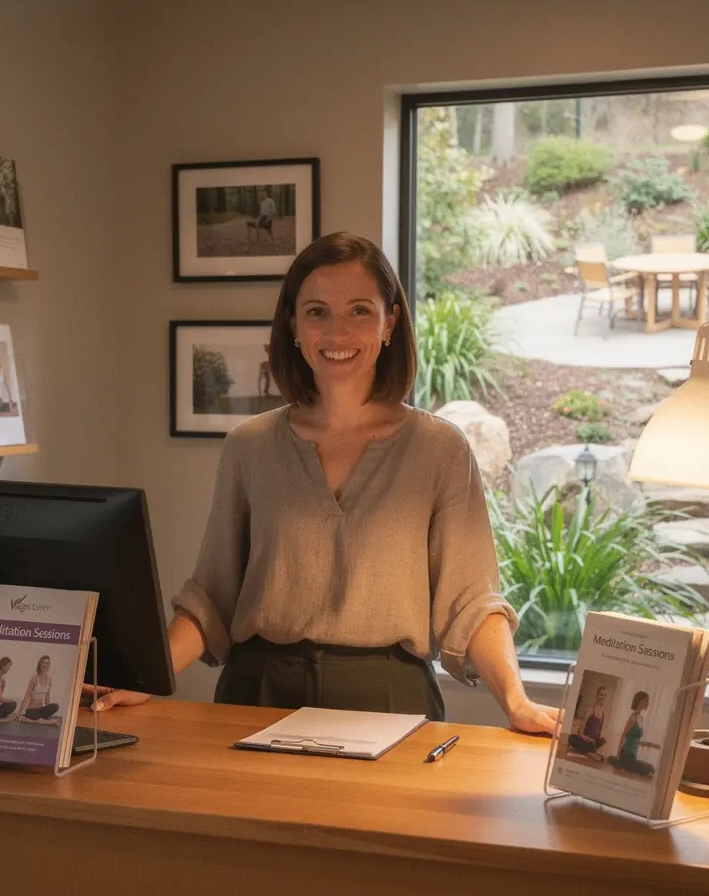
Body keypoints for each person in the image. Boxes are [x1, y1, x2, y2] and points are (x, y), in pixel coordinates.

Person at [90, 232, 556, 735]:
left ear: (390, 322)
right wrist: (147, 679)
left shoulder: (440, 451)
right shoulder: (249, 446)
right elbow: (212, 597)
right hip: (256, 696)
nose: (337, 333)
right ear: (292, 323)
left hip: (390, 699)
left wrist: (515, 699)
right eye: (317, 312)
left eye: (360, 310)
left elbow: (472, 603)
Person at [608, 691, 655, 777]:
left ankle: (619, 762)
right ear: (640, 701)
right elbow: (624, 736)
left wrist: (651, 745)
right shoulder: (632, 718)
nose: (648, 703)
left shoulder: (641, 719)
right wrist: (618, 755)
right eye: (646, 701)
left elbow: (636, 740)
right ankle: (618, 761)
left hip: (633, 756)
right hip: (626, 754)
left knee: (651, 768)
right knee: (646, 770)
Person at [17, 655, 60, 726]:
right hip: (32, 711)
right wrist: (19, 713)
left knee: (55, 706)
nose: (45, 665)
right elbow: (26, 698)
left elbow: (47, 702)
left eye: (47, 663)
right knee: (37, 718)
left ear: (49, 666)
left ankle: (36, 720)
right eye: (43, 663)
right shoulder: (34, 679)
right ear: (40, 664)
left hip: (41, 710)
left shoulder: (49, 680)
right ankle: (51, 722)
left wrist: (48, 690)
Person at [568, 686, 608, 760]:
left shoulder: (603, 715)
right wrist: (586, 738)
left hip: (593, 743)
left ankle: (590, 752)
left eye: (605, 695)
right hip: (585, 740)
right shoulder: (590, 710)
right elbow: (580, 731)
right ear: (597, 696)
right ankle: (589, 753)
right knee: (571, 737)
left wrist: (596, 742)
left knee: (603, 740)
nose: (603, 697)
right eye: (601, 695)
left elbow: (599, 732)